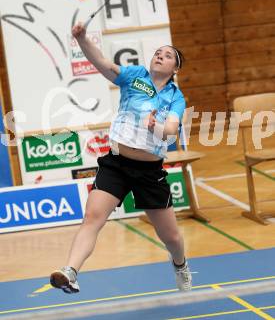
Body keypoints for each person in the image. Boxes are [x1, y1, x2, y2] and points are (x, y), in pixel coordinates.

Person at [50, 22, 192, 294]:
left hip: (149, 172)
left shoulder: (175, 97)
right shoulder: (135, 75)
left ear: (175, 69)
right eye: (158, 52)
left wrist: (157, 128)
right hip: (116, 163)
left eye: (167, 55)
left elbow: (172, 129)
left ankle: (180, 264)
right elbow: (104, 64)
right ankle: (70, 271)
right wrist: (81, 40)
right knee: (92, 218)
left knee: (171, 237)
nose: (159, 55)